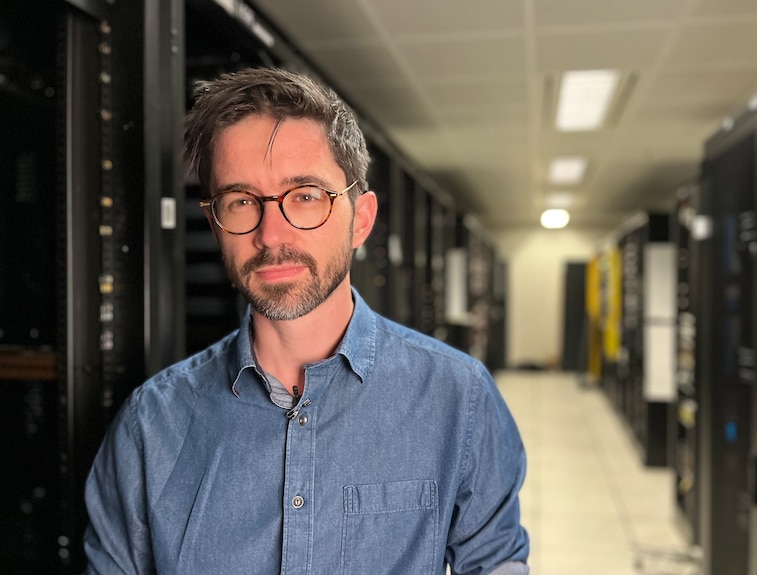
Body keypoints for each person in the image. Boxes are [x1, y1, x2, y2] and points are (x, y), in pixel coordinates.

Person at [83, 67, 530, 575]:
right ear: (216, 224)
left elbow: (495, 563)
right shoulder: (150, 427)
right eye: (242, 201)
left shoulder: (457, 398)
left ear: (360, 219)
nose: (272, 234)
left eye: (306, 196)